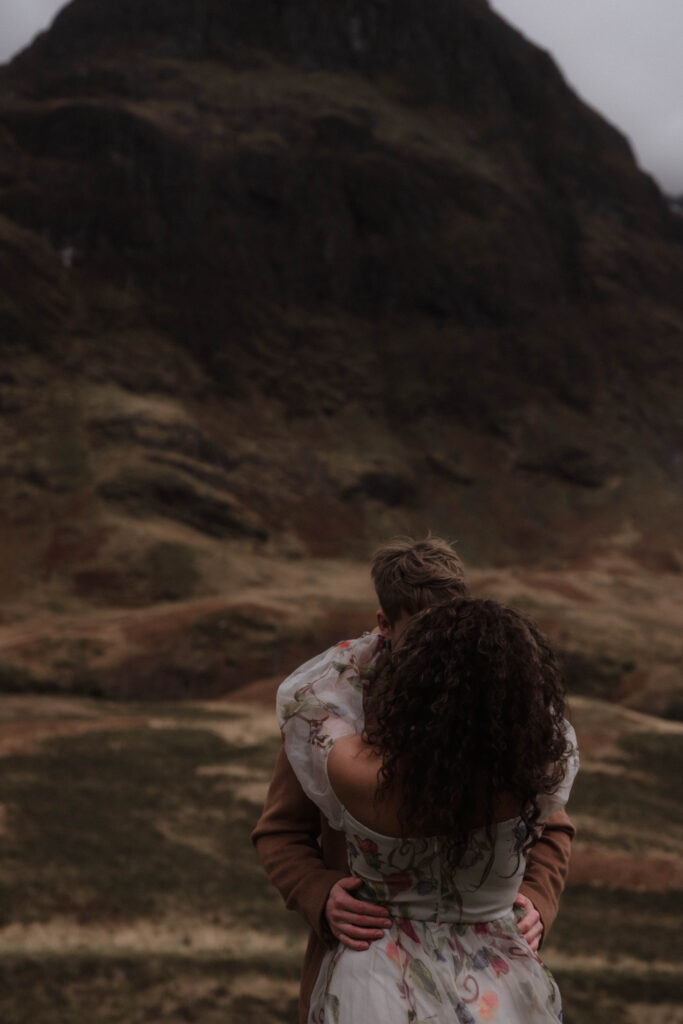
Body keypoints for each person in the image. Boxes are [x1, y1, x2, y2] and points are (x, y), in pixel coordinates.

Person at [253, 539, 577, 1022]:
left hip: (492, 971)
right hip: (369, 965)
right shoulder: (336, 709)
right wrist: (318, 893)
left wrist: (539, 898)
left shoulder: (499, 706)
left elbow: (552, 825)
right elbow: (279, 831)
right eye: (423, 632)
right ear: (384, 623)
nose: (440, 647)